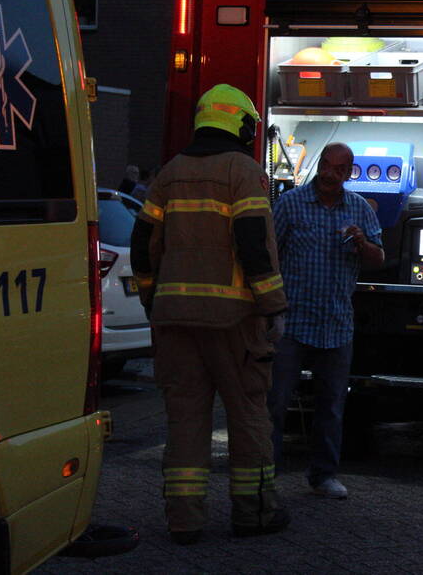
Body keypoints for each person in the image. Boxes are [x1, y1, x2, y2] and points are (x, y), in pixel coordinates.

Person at [129, 84, 289, 544]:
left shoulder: (170, 173)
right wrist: (274, 306)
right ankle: (254, 513)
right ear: (240, 124)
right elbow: (254, 244)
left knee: (185, 421)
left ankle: (184, 521)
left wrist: (152, 299)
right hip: (234, 324)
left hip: (175, 323)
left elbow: (143, 245)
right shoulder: (243, 170)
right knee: (248, 418)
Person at [268, 142, 383, 499]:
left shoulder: (359, 208)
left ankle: (324, 476)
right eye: (325, 165)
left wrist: (363, 243)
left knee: (331, 406)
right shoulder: (290, 204)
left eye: (338, 169)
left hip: (336, 324)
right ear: (319, 165)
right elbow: (269, 252)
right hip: (293, 322)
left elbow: (378, 259)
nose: (329, 174)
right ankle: (263, 475)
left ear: (349, 172)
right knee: (275, 402)